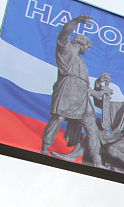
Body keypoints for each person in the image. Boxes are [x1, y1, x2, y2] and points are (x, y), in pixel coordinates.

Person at [41, 15, 104, 164]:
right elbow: (64, 34)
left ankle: (97, 160)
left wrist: (99, 93)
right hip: (67, 89)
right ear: (82, 43)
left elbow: (86, 87)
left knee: (91, 127)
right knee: (58, 118)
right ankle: (45, 148)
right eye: (87, 47)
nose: (87, 50)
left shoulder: (81, 62)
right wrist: (75, 21)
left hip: (82, 96)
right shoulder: (65, 51)